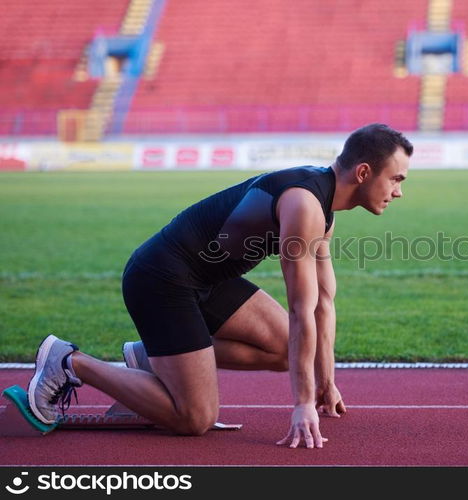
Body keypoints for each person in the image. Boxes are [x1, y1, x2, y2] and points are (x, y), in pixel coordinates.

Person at [27, 123, 412, 449]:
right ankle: (69, 362)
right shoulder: (303, 205)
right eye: (396, 179)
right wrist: (303, 403)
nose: (398, 191)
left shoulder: (324, 210)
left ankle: (150, 358)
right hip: (162, 278)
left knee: (284, 350)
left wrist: (325, 383)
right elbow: (300, 309)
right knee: (193, 418)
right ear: (363, 173)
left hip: (208, 280)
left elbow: (323, 303)